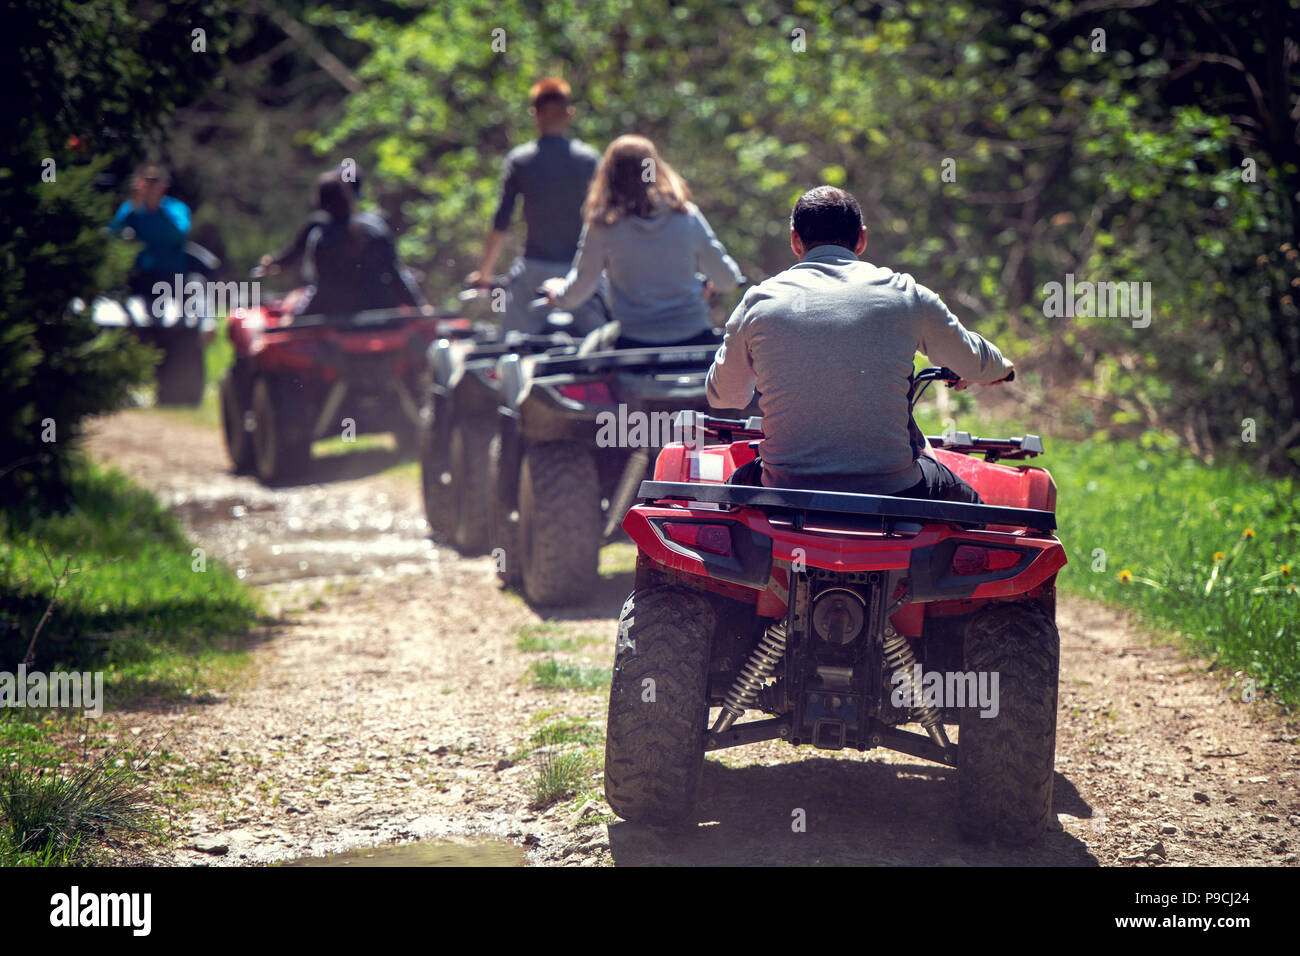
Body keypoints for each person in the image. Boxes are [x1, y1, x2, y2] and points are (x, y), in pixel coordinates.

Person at [705, 185, 1013, 503]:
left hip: (786, 489)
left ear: (795, 240)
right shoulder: (906, 294)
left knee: (727, 504)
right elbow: (975, 362)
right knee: (975, 511)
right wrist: (1002, 368)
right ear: (862, 239)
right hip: (894, 490)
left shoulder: (758, 301)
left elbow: (725, 396)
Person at [541, 134, 745, 347]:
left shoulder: (604, 225)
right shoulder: (686, 216)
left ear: (609, 175)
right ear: (655, 168)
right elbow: (726, 280)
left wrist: (558, 294)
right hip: (694, 336)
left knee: (587, 352)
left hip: (634, 341)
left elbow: (579, 288)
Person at [467, 77, 605, 334]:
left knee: (511, 345)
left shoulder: (521, 160)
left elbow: (501, 219)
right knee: (601, 342)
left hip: (534, 271)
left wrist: (484, 274)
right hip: (581, 272)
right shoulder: (589, 160)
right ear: (569, 114)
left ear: (535, 115)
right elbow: (606, 217)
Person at [298, 171, 424, 315]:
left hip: (342, 316)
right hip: (382, 310)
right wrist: (419, 307)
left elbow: (322, 288)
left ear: (320, 204)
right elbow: (396, 274)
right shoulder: (376, 228)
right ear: (349, 198)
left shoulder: (322, 239)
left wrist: (299, 317)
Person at [259, 163, 364, 284]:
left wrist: (271, 261)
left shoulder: (319, 226)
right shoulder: (374, 226)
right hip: (365, 295)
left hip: (326, 295)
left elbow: (292, 255)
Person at [107, 163, 191, 298]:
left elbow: (179, 234)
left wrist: (157, 208)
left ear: (164, 185)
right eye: (146, 182)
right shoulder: (131, 209)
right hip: (138, 275)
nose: (150, 187)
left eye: (154, 182)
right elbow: (113, 234)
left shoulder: (176, 208)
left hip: (171, 276)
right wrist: (134, 206)